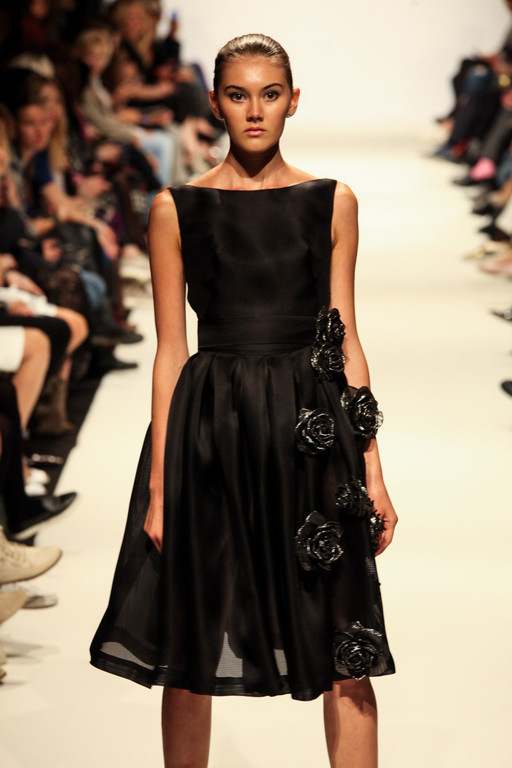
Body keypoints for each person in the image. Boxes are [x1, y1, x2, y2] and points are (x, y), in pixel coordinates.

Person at [90, 34, 397, 768]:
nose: (254, 110)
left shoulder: (332, 202)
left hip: (310, 426)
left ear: (293, 102)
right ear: (215, 102)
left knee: (347, 642)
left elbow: (345, 337)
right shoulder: (176, 208)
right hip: (211, 425)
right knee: (188, 646)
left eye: (268, 94)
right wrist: (160, 485)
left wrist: (374, 468)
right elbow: (171, 351)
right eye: (237, 94)